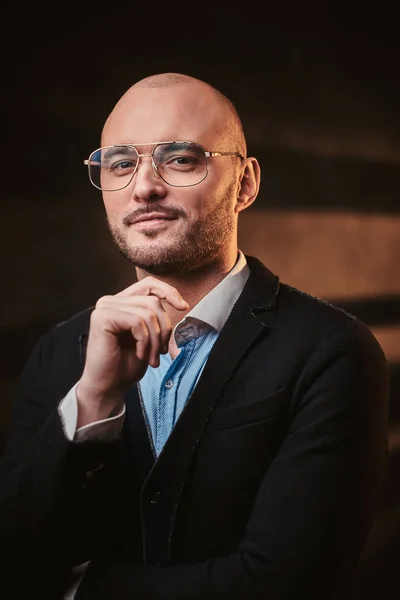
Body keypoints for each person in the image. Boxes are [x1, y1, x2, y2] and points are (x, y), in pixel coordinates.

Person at [0, 72, 389, 600]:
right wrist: (92, 400)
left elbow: (287, 584)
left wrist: (78, 591)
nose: (144, 187)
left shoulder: (333, 352)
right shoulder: (59, 354)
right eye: (120, 163)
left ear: (246, 184)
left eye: (180, 158)